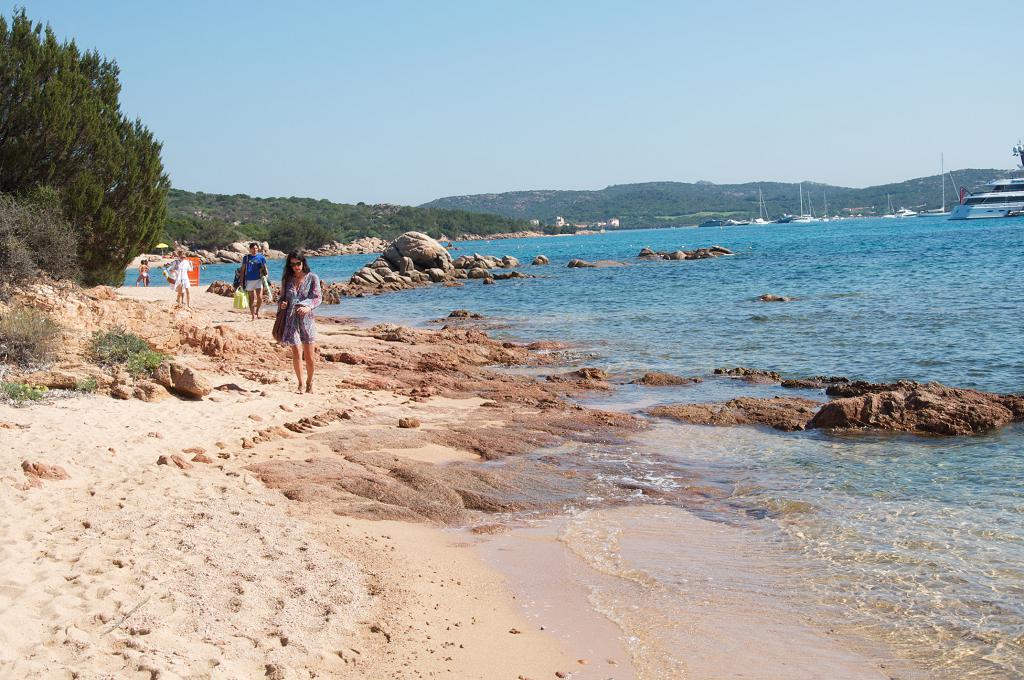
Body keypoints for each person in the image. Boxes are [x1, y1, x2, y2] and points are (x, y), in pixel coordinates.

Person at [277, 251, 321, 393]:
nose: (296, 267)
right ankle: (300, 384)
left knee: (309, 356)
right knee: (296, 352)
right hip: (291, 320)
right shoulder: (287, 279)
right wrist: (282, 304)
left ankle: (310, 382)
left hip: (307, 320)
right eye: (293, 264)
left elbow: (317, 298)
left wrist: (308, 307)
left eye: (298, 263)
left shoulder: (312, 278)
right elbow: (282, 298)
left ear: (303, 263)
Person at [239, 242, 268, 321]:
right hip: (249, 280)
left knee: (260, 298)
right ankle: (253, 315)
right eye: (253, 248)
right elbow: (243, 270)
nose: (255, 250)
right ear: (250, 249)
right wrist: (241, 281)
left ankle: (257, 311)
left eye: (256, 248)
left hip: (258, 280)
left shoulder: (261, 257)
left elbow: (265, 268)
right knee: (251, 298)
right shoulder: (246, 258)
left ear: (258, 249)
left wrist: (266, 276)